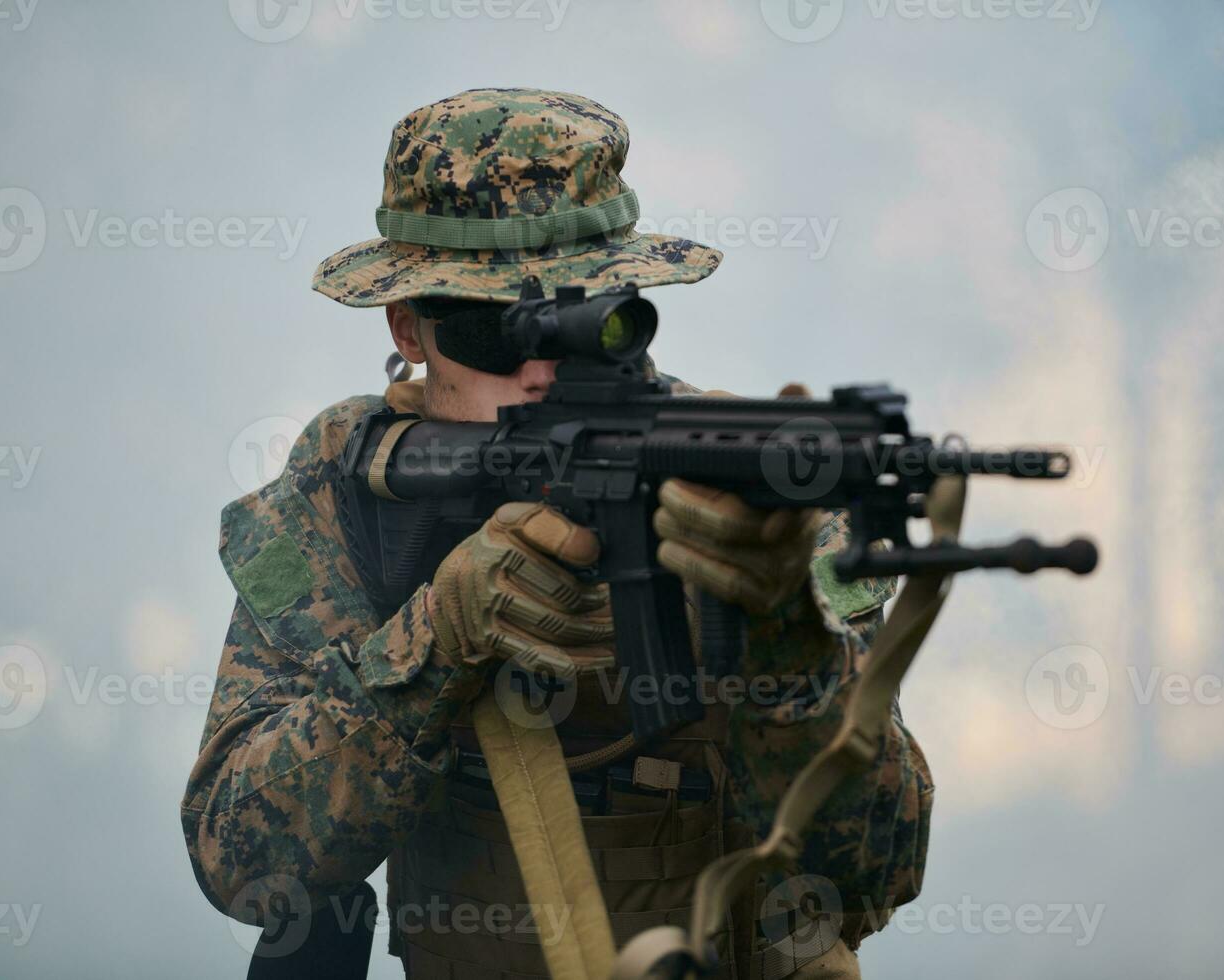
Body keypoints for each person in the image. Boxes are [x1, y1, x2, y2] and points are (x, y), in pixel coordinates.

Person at [182, 87, 933, 980]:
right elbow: (244, 862)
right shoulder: (348, 489)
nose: (543, 369)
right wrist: (434, 644)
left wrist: (778, 637)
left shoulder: (749, 483)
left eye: (588, 320)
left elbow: (880, 865)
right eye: (494, 329)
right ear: (407, 326)